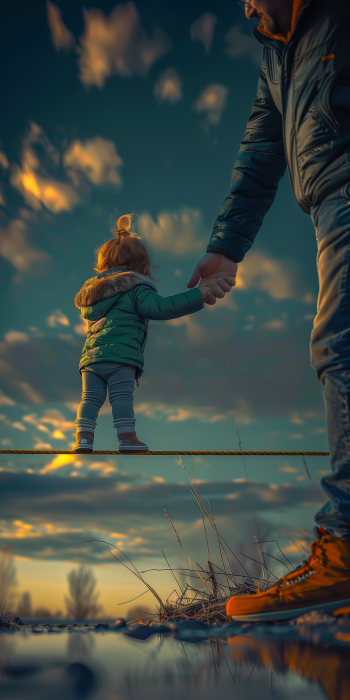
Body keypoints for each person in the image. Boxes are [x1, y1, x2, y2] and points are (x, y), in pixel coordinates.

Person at [188, 0, 350, 620]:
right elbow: (260, 152)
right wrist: (226, 248)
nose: (245, 4)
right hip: (331, 203)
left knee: (340, 345)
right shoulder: (273, 56)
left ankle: (344, 550)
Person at [73, 214, 230, 454]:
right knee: (122, 397)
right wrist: (198, 295)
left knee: (90, 399)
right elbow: (161, 307)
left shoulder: (94, 296)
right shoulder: (135, 287)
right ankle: (126, 439)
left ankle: (84, 439)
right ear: (141, 265)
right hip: (121, 357)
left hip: (91, 360)